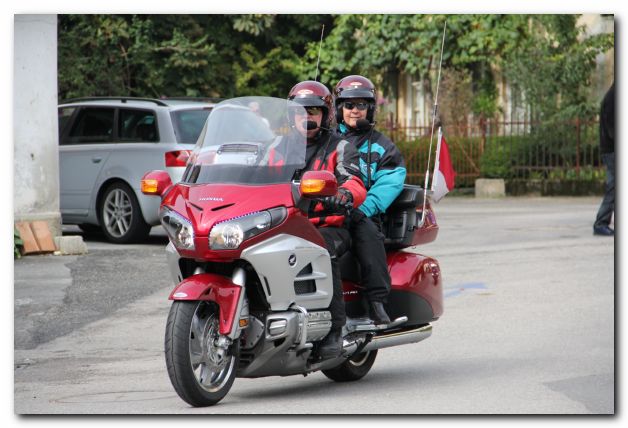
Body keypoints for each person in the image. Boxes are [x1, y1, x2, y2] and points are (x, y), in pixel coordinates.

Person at [287, 80, 367, 358]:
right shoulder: (277, 147)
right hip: (286, 224)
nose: (306, 117)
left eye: (313, 111)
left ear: (325, 114)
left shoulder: (339, 146)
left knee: (320, 250)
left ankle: (335, 328)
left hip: (327, 225)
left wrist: (345, 195)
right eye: (299, 111)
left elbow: (354, 180)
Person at [333, 75, 407, 324]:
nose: (355, 110)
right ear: (338, 108)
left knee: (367, 234)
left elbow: (391, 181)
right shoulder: (326, 141)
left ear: (370, 108)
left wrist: (364, 208)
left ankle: (376, 301)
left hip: (360, 211)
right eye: (349, 105)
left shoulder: (382, 146)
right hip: (323, 209)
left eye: (361, 105)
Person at [593, 82, 615, 236]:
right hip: (612, 150)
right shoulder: (613, 99)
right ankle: (600, 223)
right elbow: (612, 127)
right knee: (614, 186)